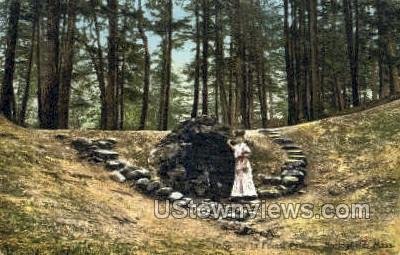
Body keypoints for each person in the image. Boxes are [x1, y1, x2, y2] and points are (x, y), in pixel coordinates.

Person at [227, 130, 258, 201]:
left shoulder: (244, 146)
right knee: (238, 178)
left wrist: (244, 164)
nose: (238, 139)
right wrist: (229, 143)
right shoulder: (236, 146)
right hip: (238, 162)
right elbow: (233, 148)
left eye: (240, 138)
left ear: (243, 138)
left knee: (245, 177)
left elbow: (247, 155)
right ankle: (238, 194)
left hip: (244, 161)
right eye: (237, 138)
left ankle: (249, 193)